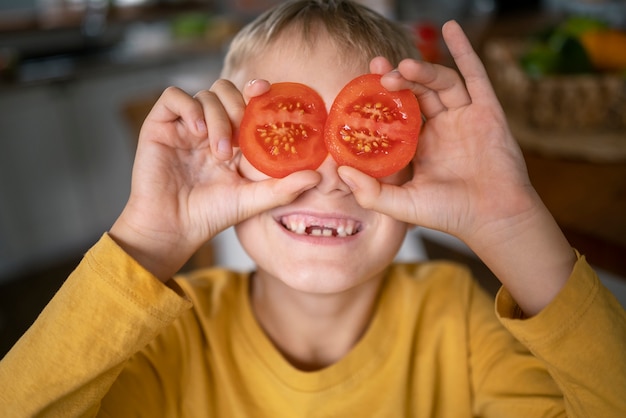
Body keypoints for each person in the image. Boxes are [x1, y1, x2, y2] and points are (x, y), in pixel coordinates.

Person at [1, 0, 625, 416]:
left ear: (415, 158)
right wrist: (145, 243)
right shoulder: (169, 346)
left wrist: (512, 224)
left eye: (366, 138)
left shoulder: (455, 321)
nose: (327, 176)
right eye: (285, 136)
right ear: (227, 154)